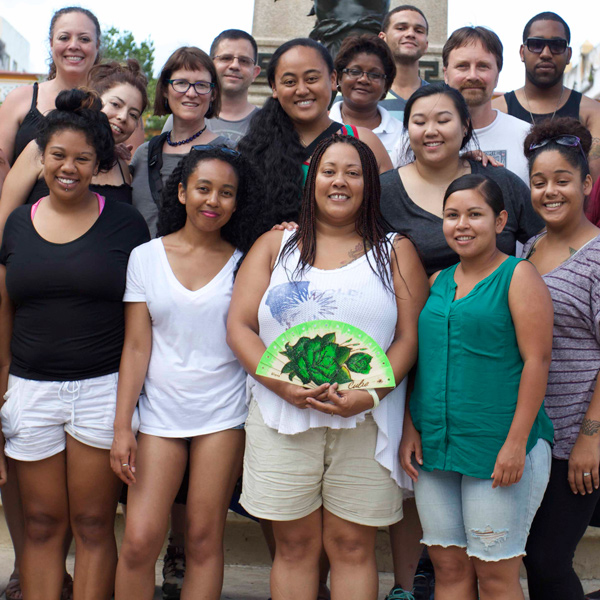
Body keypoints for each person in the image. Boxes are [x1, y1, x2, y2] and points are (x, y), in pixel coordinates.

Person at [227, 133, 428, 600]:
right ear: (311, 180)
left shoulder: (395, 251)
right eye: (329, 171)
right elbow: (239, 325)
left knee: (352, 545)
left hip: (368, 418)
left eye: (353, 173)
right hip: (280, 416)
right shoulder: (275, 246)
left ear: (370, 185)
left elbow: (408, 339)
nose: (340, 181)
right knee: (294, 546)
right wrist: (280, 383)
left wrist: (371, 392)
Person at [0, 88, 149, 600]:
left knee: (91, 524)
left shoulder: (126, 224)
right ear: (41, 158)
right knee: (40, 523)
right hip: (29, 391)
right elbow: (3, 319)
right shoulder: (17, 224)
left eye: (82, 158)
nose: (69, 168)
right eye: (58, 156)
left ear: (97, 163)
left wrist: (126, 413)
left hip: (100, 390)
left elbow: (138, 328)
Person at [110, 146, 264, 600]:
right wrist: (123, 427)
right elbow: (136, 347)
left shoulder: (246, 261)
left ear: (237, 202)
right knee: (139, 541)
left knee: (202, 538)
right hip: (159, 413)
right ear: (181, 191)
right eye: (203, 188)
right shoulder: (145, 257)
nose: (213, 200)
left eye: (226, 192)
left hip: (222, 412)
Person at [401, 172, 554, 600]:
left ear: (501, 220)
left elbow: (537, 362)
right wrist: (413, 427)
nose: (462, 224)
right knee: (448, 570)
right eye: (452, 215)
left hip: (498, 445)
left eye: (475, 214)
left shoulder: (518, 276)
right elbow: (425, 364)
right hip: (437, 446)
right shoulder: (438, 282)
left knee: (494, 576)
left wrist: (516, 443)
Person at [518, 118, 600, 599]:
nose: (551, 191)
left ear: (586, 184)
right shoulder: (529, 250)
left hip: (579, 438)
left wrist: (591, 437)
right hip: (536, 438)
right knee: (533, 556)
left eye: (563, 181)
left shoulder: (596, 256)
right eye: (540, 182)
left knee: (548, 560)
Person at [380, 83, 543, 277]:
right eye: (419, 122)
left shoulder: (500, 181)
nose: (430, 131)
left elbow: (545, 240)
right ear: (407, 128)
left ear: (465, 125)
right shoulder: (383, 191)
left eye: (443, 121)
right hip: (417, 307)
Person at [238, 38, 392, 228]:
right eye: (289, 82)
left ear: (333, 79)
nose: (302, 90)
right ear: (274, 87)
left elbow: (390, 215)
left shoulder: (365, 141)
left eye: (312, 79)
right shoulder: (254, 148)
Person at [0, 59, 148, 237]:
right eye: (115, 104)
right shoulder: (39, 149)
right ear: (94, 100)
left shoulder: (122, 167)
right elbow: (4, 224)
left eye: (133, 115)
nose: (123, 117)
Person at [131, 46, 231, 237]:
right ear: (165, 90)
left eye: (201, 85)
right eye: (181, 83)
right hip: (139, 264)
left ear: (213, 94)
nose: (191, 93)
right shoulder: (143, 155)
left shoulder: (228, 153)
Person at [0, 6, 101, 193]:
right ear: (51, 43)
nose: (74, 45)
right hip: (23, 217)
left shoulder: (116, 107)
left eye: (84, 39)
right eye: (64, 37)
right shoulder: (19, 99)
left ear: (97, 46)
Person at [493, 12, 600, 181]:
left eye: (556, 45)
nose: (545, 53)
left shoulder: (592, 112)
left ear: (569, 55)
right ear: (522, 52)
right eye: (536, 44)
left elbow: (595, 184)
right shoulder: (497, 110)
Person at [443, 26, 530, 184]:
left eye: (483, 66)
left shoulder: (527, 137)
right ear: (445, 74)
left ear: (497, 76)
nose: (473, 75)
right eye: (462, 66)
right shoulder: (420, 138)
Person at [163, 30, 261, 144]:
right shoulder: (180, 119)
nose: (234, 65)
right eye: (226, 58)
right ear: (210, 66)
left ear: (255, 72)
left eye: (244, 61)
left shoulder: (270, 124)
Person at [331, 35, 403, 163]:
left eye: (374, 74)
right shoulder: (320, 126)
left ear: (386, 85)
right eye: (354, 71)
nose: (363, 79)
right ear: (340, 78)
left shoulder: (402, 135)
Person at [378, 5, 429, 121]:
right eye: (401, 28)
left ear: (426, 45)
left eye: (419, 31)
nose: (410, 34)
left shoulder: (440, 98)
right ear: (382, 39)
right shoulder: (359, 93)